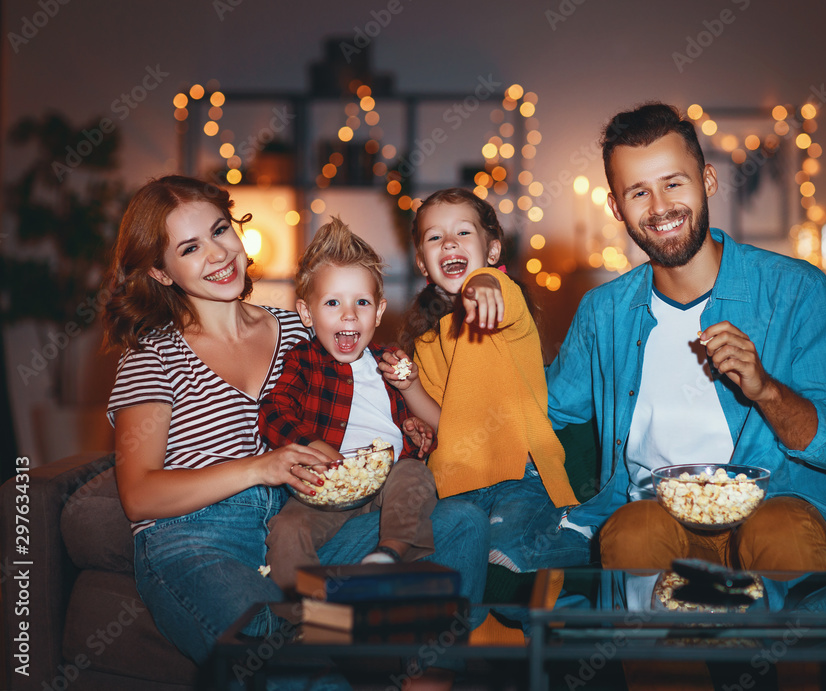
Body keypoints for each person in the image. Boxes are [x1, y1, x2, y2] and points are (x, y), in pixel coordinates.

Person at [101, 175, 488, 681]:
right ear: (160, 270)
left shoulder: (296, 329)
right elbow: (139, 494)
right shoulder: (152, 357)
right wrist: (261, 467)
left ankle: (408, 666)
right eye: (190, 247)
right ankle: (348, 641)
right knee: (290, 657)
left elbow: (364, 383)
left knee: (464, 523)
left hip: (302, 527)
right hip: (199, 541)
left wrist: (405, 418)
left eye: (220, 231)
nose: (218, 254)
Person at [546, 103, 826, 577]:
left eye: (673, 183)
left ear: (707, 181)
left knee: (781, 531)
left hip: (775, 509)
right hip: (651, 516)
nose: (660, 208)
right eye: (639, 192)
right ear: (617, 206)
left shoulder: (795, 290)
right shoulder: (605, 312)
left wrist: (764, 388)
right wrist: (425, 399)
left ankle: (780, 648)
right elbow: (544, 407)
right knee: (631, 532)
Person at [390, 188, 590, 575]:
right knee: (443, 550)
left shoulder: (503, 301)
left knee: (504, 554)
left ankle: (587, 537)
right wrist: (409, 385)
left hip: (521, 472)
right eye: (435, 237)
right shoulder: (427, 338)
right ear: (422, 262)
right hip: (455, 480)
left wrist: (486, 283)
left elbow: (498, 292)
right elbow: (442, 422)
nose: (449, 242)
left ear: (493, 252)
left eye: (463, 233)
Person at [259, 217, 439, 594]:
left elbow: (417, 424)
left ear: (378, 311)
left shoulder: (391, 362)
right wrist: (309, 446)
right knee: (286, 528)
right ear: (307, 314)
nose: (348, 314)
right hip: (324, 490)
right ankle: (304, 614)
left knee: (415, 477)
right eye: (332, 303)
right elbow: (274, 410)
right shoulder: (304, 361)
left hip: (388, 477)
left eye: (361, 302)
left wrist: (415, 431)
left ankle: (387, 556)